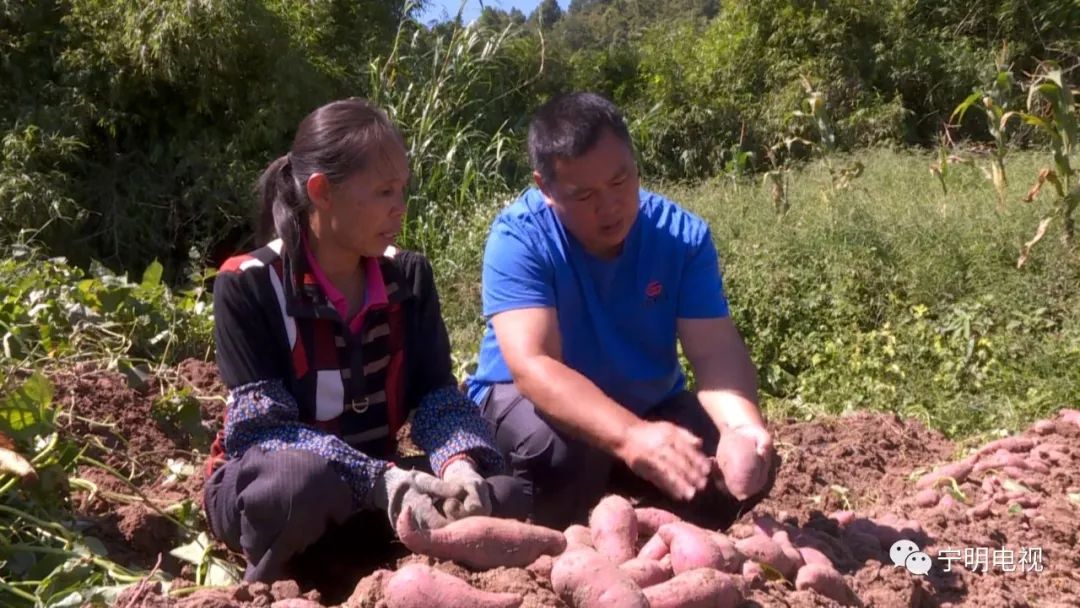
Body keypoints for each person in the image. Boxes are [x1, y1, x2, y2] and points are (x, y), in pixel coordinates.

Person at [202, 98, 526, 584]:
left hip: (382, 482)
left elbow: (437, 395)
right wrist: (377, 480)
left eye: (402, 190)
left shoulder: (408, 277)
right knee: (295, 487)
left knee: (508, 492)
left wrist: (459, 466)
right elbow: (262, 432)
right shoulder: (249, 285)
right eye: (383, 192)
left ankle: (373, 563)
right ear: (322, 192)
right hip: (278, 489)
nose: (400, 208)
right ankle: (280, 582)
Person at [463, 91, 779, 531]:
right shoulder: (520, 238)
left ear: (634, 162)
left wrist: (741, 427)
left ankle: (619, 492)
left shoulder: (680, 236)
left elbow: (714, 351)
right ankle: (574, 499)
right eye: (584, 194)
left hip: (646, 404)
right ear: (544, 187)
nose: (610, 206)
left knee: (737, 475)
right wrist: (631, 437)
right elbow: (533, 365)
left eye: (620, 180)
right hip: (535, 407)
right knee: (560, 455)